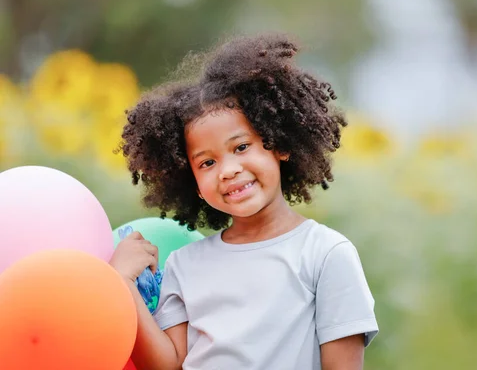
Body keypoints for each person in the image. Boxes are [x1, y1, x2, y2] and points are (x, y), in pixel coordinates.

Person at [109, 33, 378, 370]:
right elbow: (168, 365)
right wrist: (121, 284)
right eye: (207, 163)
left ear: (278, 144)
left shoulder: (325, 254)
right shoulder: (183, 265)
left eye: (241, 147)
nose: (228, 170)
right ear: (192, 182)